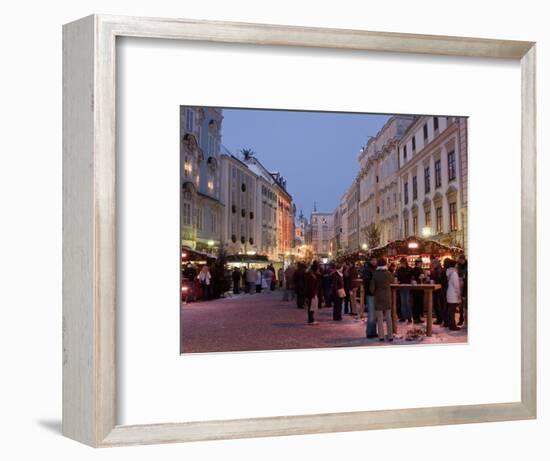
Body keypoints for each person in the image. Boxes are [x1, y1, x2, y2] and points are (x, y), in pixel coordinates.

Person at [369, 258, 394, 342]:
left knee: (379, 318)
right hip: (387, 296)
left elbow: (372, 288)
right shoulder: (388, 273)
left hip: (378, 297)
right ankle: (390, 336)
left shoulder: (375, 274)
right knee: (388, 317)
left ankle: (381, 336)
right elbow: (392, 281)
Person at [362, 256, 378, 338]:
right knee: (371, 314)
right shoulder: (368, 270)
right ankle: (370, 333)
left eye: (376, 260)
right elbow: (367, 282)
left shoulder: (373, 269)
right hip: (370, 294)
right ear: (371, 261)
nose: (375, 261)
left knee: (374, 314)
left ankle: (373, 331)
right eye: (374, 260)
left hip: (373, 293)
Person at [446, 259, 462, 330]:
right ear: (455, 265)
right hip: (453, 294)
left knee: (450, 310)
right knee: (452, 311)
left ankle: (450, 324)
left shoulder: (448, 272)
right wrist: (459, 294)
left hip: (449, 292)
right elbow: (456, 286)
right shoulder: (454, 273)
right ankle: (453, 326)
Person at [396, 257, 413, 323]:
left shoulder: (408, 269)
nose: (401, 264)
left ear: (404, 263)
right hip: (402, 287)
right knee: (403, 302)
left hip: (407, 287)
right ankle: (404, 317)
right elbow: (398, 278)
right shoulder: (400, 269)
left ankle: (408, 317)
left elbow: (411, 277)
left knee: (407, 302)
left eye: (401, 263)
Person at [430, 258, 444, 324]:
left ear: (436, 263)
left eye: (433, 264)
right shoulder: (438, 269)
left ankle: (439, 319)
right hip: (438, 289)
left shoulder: (438, 270)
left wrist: (433, 281)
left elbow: (439, 280)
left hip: (438, 289)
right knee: (437, 304)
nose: (432, 265)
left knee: (437, 304)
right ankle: (439, 319)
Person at [411, 258, 425, 323]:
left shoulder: (421, 269)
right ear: (417, 263)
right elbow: (412, 279)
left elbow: (423, 278)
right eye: (420, 263)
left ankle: (418, 317)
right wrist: (418, 278)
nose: (421, 264)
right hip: (416, 289)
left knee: (419, 303)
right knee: (416, 303)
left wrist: (424, 277)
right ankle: (415, 318)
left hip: (420, 288)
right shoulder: (414, 270)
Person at [457, 254, 468, 327]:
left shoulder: (467, 265)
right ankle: (461, 319)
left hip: (465, 286)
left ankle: (465, 321)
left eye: (461, 260)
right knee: (461, 305)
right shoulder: (459, 265)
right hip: (461, 285)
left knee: (465, 306)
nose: (460, 261)